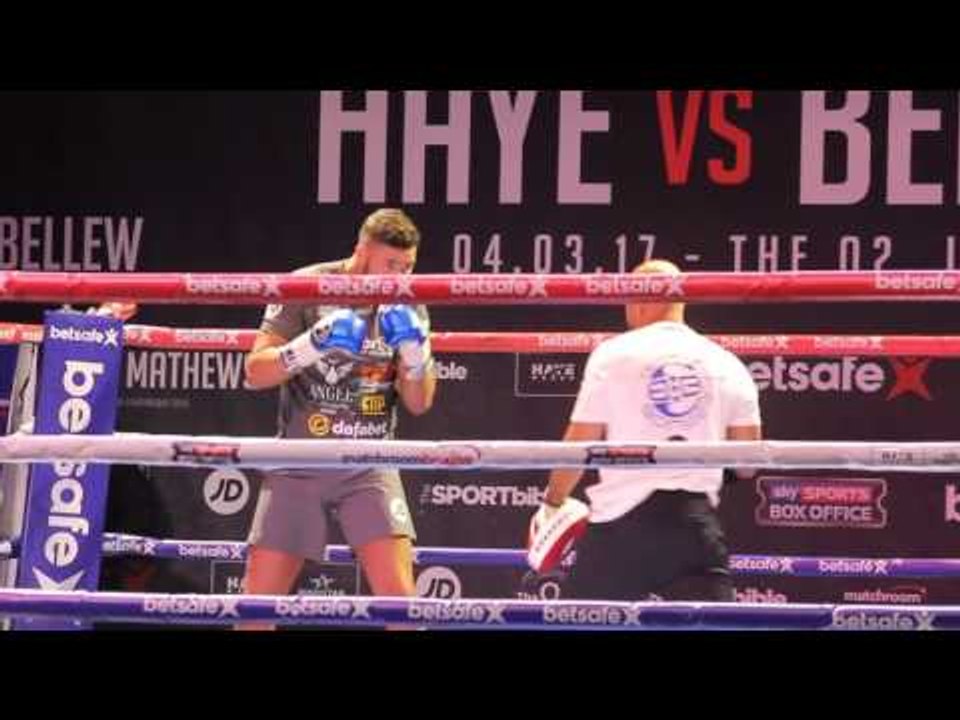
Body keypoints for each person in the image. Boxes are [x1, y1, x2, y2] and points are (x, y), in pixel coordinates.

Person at [241, 208, 436, 629]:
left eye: (407, 268)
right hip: (299, 462)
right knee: (255, 612)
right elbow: (255, 371)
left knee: (404, 610)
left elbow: (419, 402)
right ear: (361, 251)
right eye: (390, 265)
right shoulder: (307, 285)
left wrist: (416, 359)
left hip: (369, 463)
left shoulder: (409, 304)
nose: (397, 278)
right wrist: (310, 345)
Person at [529, 259, 762, 602]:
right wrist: (697, 463)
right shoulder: (728, 363)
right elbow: (747, 462)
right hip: (693, 526)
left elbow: (579, 445)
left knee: (583, 625)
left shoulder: (613, 354)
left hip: (619, 527)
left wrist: (552, 501)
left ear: (639, 300)